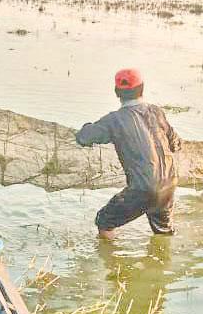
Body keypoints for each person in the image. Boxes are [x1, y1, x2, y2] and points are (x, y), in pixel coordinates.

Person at [76, 69, 182, 238]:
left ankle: (111, 262)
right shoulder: (157, 112)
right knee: (162, 233)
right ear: (142, 88)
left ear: (117, 92)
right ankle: (161, 262)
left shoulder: (115, 120)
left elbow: (83, 138)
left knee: (104, 221)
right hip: (169, 184)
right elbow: (176, 143)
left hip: (143, 189)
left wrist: (87, 126)